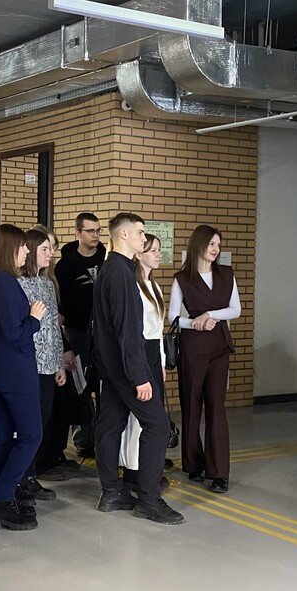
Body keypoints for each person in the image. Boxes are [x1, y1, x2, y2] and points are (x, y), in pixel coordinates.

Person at [93, 213, 183, 524]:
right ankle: (149, 499)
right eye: (141, 232)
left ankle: (111, 492)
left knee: (110, 425)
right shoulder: (120, 273)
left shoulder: (114, 269)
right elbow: (127, 331)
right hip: (126, 369)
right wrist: (139, 377)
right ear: (125, 235)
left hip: (112, 367)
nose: (145, 238)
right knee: (157, 425)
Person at [0, 223, 46, 531]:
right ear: (9, 249)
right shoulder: (4, 282)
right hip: (16, 373)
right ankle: (3, 498)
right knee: (32, 434)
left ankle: (2, 499)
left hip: (3, 372)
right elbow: (13, 331)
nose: (26, 251)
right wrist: (34, 319)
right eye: (22, 246)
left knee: (3, 437)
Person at [168, 225, 241, 494]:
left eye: (218, 245)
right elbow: (173, 317)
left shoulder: (226, 274)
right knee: (191, 405)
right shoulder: (182, 278)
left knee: (216, 408)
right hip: (192, 348)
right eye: (211, 244)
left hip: (219, 347)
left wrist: (210, 315)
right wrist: (195, 323)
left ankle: (219, 472)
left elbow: (235, 309)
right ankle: (192, 463)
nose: (216, 249)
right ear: (198, 245)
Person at [18, 228, 67, 502]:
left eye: (51, 249)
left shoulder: (48, 283)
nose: (50, 254)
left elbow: (53, 328)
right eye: (45, 249)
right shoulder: (18, 283)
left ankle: (31, 474)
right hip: (28, 364)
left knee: (43, 419)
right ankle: (21, 477)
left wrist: (59, 363)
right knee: (27, 424)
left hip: (48, 364)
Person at [54, 212, 106, 461]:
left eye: (98, 231)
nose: (95, 235)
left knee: (103, 386)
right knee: (80, 386)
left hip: (103, 333)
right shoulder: (66, 265)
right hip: (77, 331)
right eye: (90, 231)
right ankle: (84, 440)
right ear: (78, 233)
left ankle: (105, 440)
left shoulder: (106, 258)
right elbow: (61, 303)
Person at [120, 234, 168, 490]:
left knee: (153, 415)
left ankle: (149, 467)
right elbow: (134, 331)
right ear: (139, 255)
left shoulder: (155, 287)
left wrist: (162, 361)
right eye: (153, 250)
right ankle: (133, 470)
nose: (159, 255)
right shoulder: (133, 287)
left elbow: (159, 331)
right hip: (139, 352)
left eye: (159, 250)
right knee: (137, 417)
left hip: (153, 353)